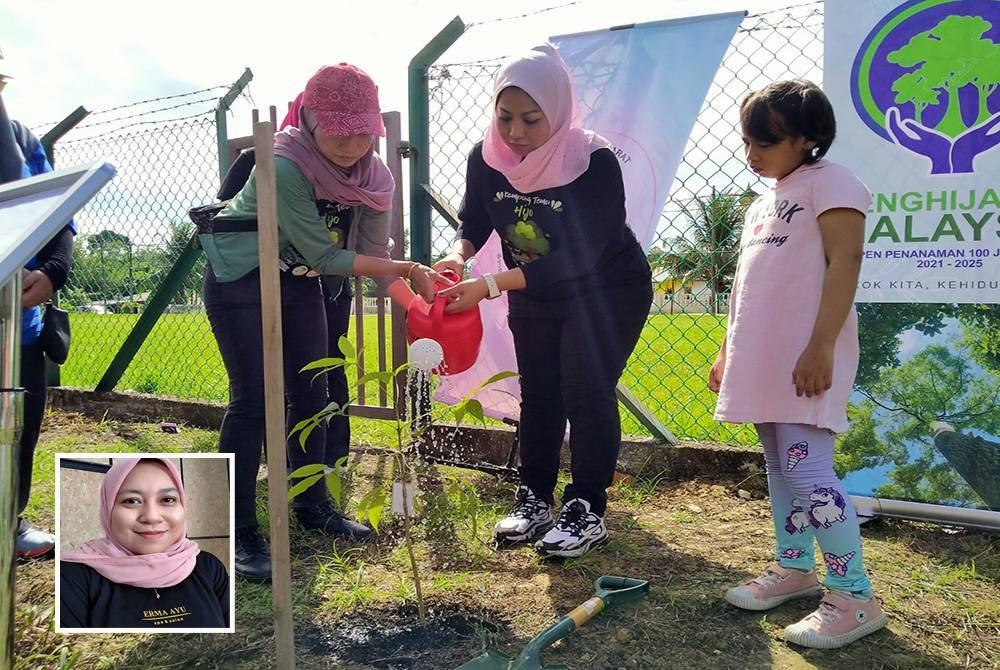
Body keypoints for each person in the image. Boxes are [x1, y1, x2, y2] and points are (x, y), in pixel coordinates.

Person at [201, 63, 445, 581]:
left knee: (315, 393)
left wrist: (424, 311)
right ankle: (237, 529)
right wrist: (403, 267)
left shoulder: (376, 178)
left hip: (297, 278)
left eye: (364, 130)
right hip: (241, 277)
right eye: (340, 127)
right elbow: (325, 254)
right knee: (252, 399)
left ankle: (314, 509)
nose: (353, 143)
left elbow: (375, 260)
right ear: (311, 117)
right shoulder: (284, 164)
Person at [436, 44, 652, 558]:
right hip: (536, 292)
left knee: (584, 388)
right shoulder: (487, 157)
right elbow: (475, 219)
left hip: (605, 289)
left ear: (556, 111)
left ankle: (586, 509)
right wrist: (457, 256)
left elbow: (582, 254)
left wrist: (490, 285)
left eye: (531, 120)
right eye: (505, 117)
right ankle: (533, 497)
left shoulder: (592, 161)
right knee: (539, 392)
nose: (515, 133)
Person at [709, 79, 887, 648]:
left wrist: (822, 344)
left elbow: (845, 260)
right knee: (781, 470)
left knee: (810, 473)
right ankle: (794, 568)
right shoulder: (764, 201)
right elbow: (746, 288)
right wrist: (725, 352)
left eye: (768, 140)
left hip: (805, 358)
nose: (753, 152)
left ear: (808, 139)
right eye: (747, 140)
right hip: (762, 360)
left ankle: (854, 597)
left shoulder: (832, 182)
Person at [0, 46, 75, 559]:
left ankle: (11, 520)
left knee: (18, 422)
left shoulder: (22, 140)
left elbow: (58, 215)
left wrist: (52, 272)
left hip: (16, 322)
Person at [60, 458, 229, 629]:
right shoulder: (72, 576)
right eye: (132, 501)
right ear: (108, 508)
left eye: (167, 500)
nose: (151, 517)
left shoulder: (208, 567)